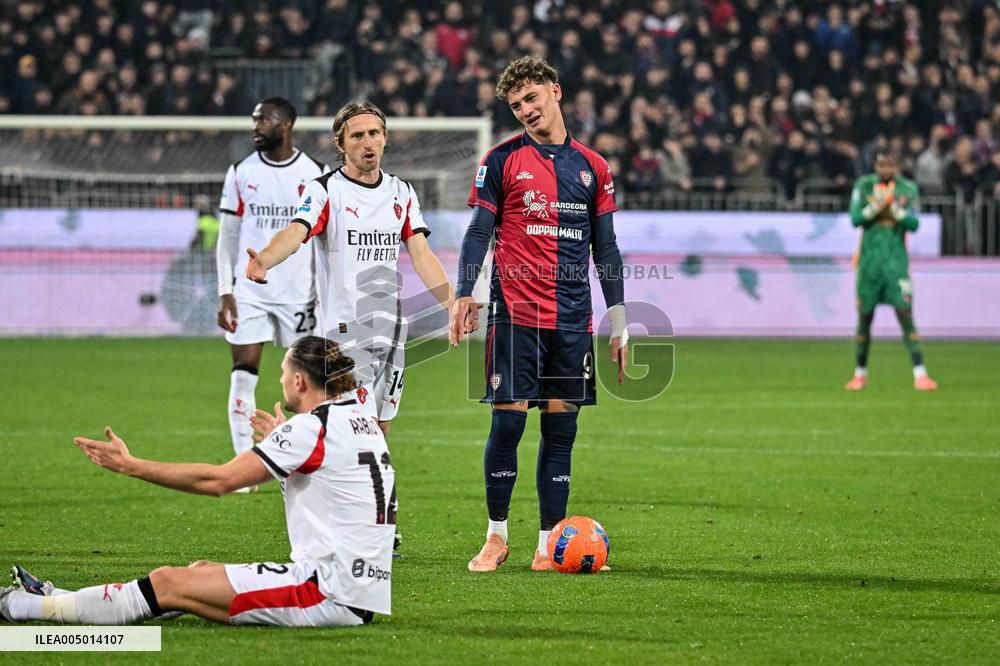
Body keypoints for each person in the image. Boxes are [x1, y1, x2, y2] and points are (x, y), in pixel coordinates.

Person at [0, 336, 395, 627]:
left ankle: (20, 607)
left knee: (169, 582)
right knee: (198, 571)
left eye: (283, 373)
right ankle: (61, 598)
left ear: (299, 382)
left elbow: (218, 481)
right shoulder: (362, 422)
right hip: (356, 589)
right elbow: (334, 490)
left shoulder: (311, 430)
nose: (280, 381)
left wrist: (130, 465)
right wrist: (285, 441)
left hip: (325, 592)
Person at [449, 56, 628, 572]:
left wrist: (618, 320)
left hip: (572, 319)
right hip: (515, 314)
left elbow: (607, 249)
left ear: (556, 91)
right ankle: (496, 537)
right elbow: (479, 233)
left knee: (560, 433)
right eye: (516, 105)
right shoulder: (502, 160)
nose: (525, 110)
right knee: (507, 426)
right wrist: (465, 291)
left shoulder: (593, 167)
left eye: (531, 98)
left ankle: (549, 546)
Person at [244, 101, 453, 438]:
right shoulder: (325, 190)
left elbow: (422, 253)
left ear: (385, 138)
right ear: (340, 144)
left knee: (380, 429)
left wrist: (452, 303)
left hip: (391, 330)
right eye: (357, 136)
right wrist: (265, 258)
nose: (367, 142)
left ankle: (376, 492)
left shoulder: (401, 191)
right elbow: (297, 231)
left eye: (374, 133)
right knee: (359, 430)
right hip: (345, 333)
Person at [216, 97, 330, 480]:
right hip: (248, 290)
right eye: (254, 119)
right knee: (242, 373)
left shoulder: (316, 172)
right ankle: (240, 467)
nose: (256, 126)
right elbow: (228, 236)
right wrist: (225, 289)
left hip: (298, 293)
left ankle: (304, 455)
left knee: (308, 381)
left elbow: (322, 240)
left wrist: (323, 290)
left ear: (286, 123)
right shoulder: (241, 171)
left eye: (263, 119)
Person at [846, 151, 938, 391]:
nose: (885, 168)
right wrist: (876, 206)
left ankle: (920, 375)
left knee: (905, 314)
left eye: (890, 164)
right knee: (865, 318)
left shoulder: (908, 189)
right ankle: (859, 374)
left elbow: (915, 224)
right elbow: (855, 219)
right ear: (875, 165)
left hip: (896, 264)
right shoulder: (864, 185)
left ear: (897, 166)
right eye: (881, 164)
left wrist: (895, 210)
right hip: (869, 265)